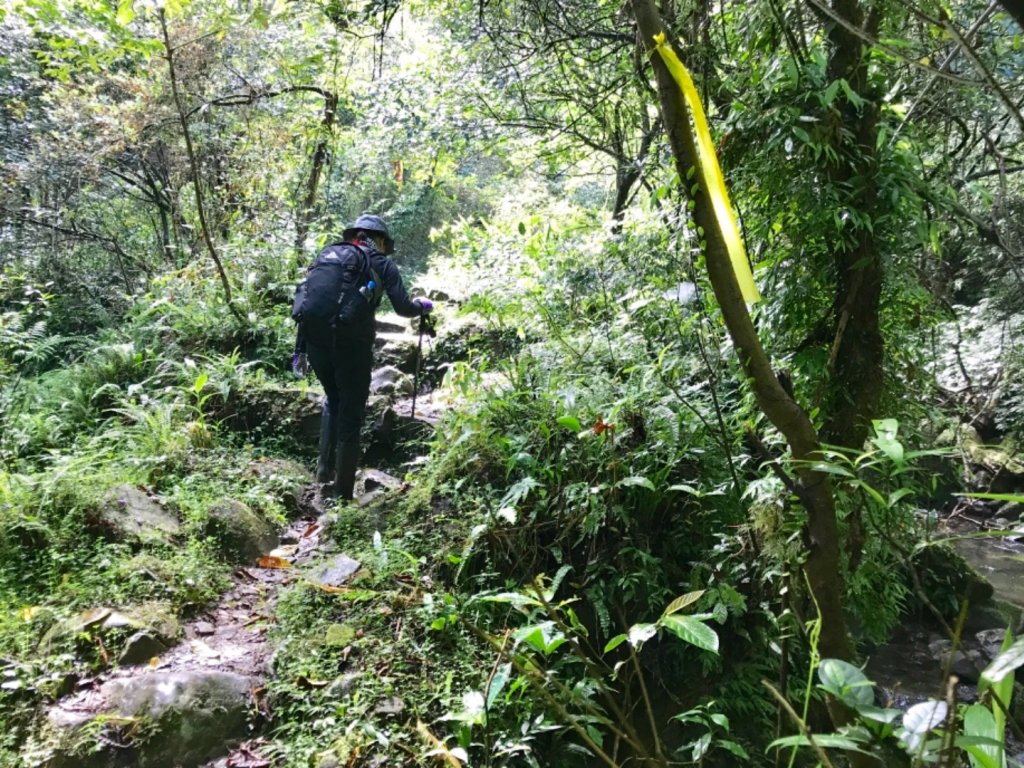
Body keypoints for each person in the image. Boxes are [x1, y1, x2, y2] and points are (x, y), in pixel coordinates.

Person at [293, 214, 432, 500]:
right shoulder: (382, 263)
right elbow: (403, 308)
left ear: (354, 235)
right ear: (379, 239)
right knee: (352, 411)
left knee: (333, 398)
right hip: (352, 345)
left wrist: (301, 350)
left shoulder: (329, 255)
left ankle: (323, 473)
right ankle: (342, 494)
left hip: (316, 343)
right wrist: (422, 306)